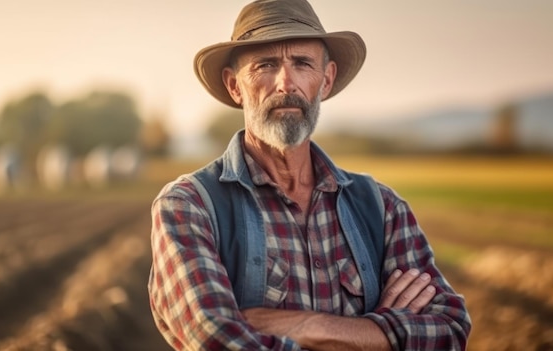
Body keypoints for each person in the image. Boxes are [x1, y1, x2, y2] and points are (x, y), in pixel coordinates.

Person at [148, 0, 471, 350]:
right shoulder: (190, 206)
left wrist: (307, 324)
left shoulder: (382, 207)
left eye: (302, 64)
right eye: (266, 65)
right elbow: (217, 337)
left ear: (326, 80)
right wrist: (378, 334)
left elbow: (449, 329)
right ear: (235, 86)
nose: (287, 83)